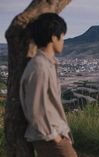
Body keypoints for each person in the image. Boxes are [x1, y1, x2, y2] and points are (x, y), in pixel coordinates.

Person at [20, 13, 77, 157]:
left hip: (54, 135)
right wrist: (55, 136)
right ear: (53, 37)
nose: (63, 41)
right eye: (62, 37)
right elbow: (35, 108)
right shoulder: (40, 67)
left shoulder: (46, 64)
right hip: (49, 138)